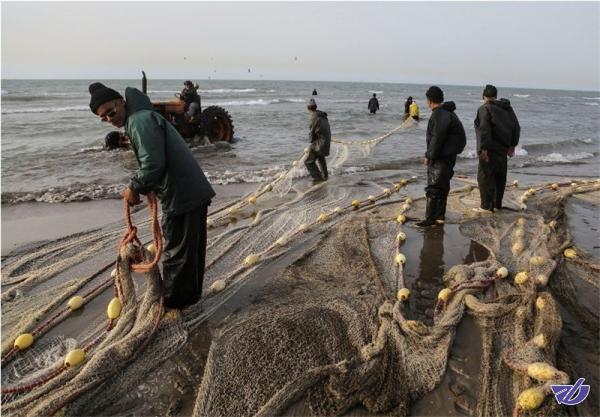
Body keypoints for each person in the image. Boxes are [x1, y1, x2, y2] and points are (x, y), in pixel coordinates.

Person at [89, 82, 215, 309]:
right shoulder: (142, 116)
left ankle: (173, 305)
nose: (109, 119)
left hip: (182, 195)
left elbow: (153, 164)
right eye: (103, 118)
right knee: (190, 253)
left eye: (111, 111)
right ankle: (189, 299)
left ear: (121, 103)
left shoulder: (139, 121)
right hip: (191, 192)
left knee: (177, 253)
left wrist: (135, 187)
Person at [416, 86, 466, 228]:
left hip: (441, 157)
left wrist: (429, 155)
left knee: (434, 187)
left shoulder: (439, 114)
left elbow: (437, 138)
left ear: (430, 100)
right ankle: (439, 215)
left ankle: (430, 219)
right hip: (448, 155)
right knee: (442, 186)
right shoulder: (449, 113)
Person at [474, 84, 520, 213]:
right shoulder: (507, 109)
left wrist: (483, 149)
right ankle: (497, 205)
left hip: (489, 150)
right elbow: (516, 127)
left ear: (483, 96)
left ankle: (485, 207)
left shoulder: (485, 109)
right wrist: (512, 145)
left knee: (485, 177)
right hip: (503, 150)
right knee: (500, 178)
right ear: (496, 96)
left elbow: (484, 130)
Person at [304, 98, 331, 183]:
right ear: (316, 107)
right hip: (326, 140)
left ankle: (317, 178)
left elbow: (312, 132)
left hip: (320, 142)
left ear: (308, 108)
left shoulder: (314, 116)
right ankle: (325, 176)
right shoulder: (322, 115)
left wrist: (311, 142)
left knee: (308, 162)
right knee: (320, 158)